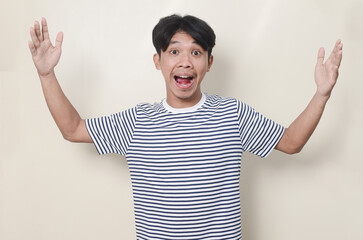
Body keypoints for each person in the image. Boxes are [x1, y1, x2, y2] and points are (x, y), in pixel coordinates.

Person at [29, 14, 342, 240]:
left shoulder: (232, 114)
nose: (185, 61)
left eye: (196, 52)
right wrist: (46, 75)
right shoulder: (137, 121)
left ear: (209, 62)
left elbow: (290, 142)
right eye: (174, 51)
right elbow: (72, 129)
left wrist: (321, 94)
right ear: (158, 61)